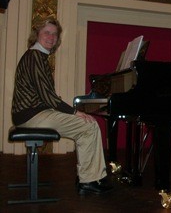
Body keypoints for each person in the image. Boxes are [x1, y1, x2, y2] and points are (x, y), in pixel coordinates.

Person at [11, 16, 113, 195]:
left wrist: (71, 112)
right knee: (89, 126)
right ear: (37, 35)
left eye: (55, 34)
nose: (51, 37)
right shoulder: (35, 56)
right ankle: (89, 180)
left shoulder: (37, 55)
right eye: (46, 33)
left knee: (86, 127)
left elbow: (45, 96)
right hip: (32, 116)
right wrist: (75, 112)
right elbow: (48, 96)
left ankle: (90, 175)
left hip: (30, 114)